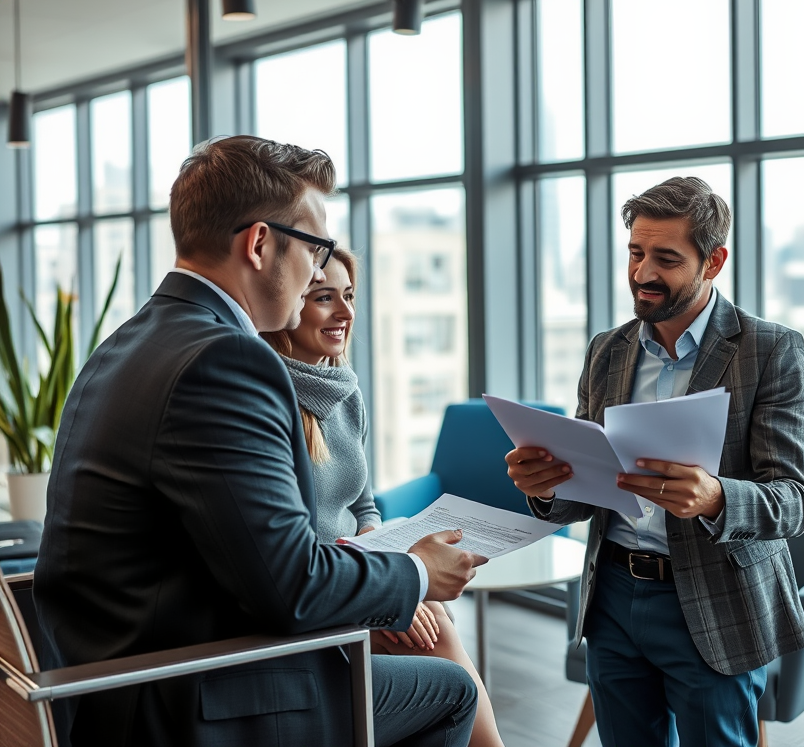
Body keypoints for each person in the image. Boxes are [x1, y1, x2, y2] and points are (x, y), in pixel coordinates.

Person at [33, 135, 486, 747]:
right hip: (192, 698)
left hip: (121, 682)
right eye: (316, 248)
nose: (319, 271)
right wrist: (414, 572)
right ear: (259, 244)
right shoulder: (226, 362)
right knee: (449, 691)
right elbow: (291, 588)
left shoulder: (130, 342)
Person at [505, 176, 804, 747]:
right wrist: (547, 486)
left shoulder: (768, 350)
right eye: (635, 252)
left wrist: (717, 497)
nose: (642, 273)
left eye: (666, 259)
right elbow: (588, 485)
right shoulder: (608, 349)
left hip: (712, 602)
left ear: (714, 261)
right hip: (614, 598)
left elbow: (796, 499)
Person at [261, 248, 506, 747]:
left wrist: (382, 547)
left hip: (359, 573)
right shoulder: (265, 397)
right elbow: (287, 548)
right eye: (323, 298)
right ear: (287, 306)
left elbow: (362, 505)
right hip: (321, 592)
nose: (346, 313)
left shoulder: (344, 391)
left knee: (430, 622)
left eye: (348, 297)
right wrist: (386, 591)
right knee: (431, 629)